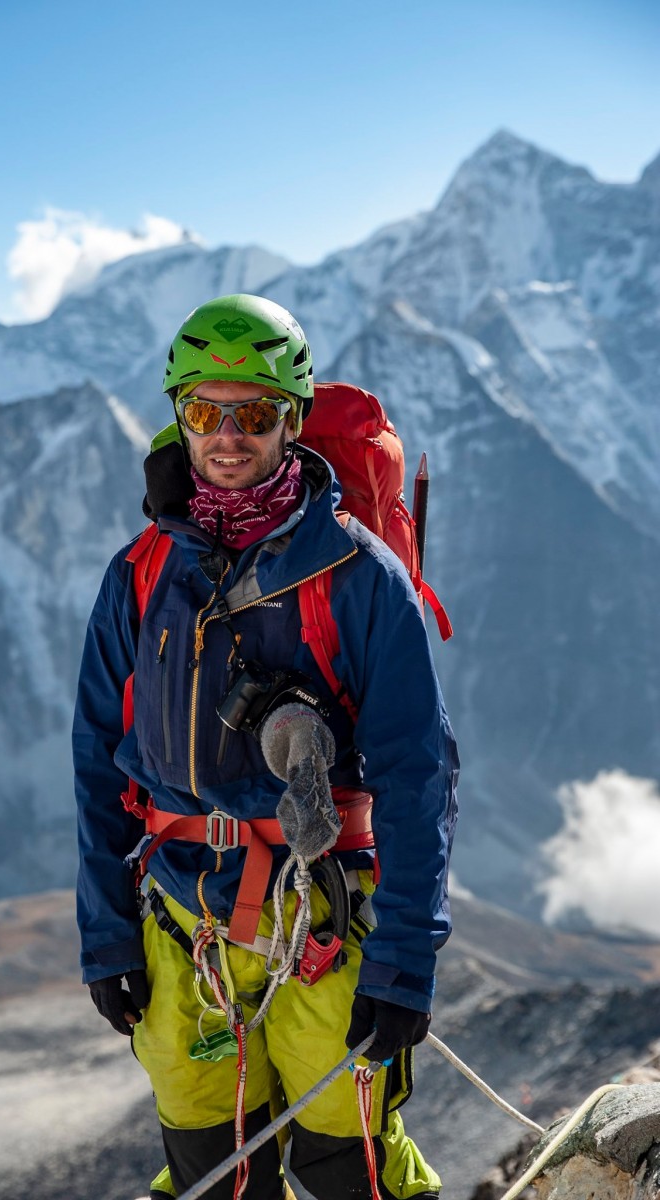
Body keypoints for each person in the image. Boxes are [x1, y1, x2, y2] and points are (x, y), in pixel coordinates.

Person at [73, 294, 459, 1200]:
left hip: (323, 921)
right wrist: (105, 939)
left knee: (346, 1164)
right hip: (179, 921)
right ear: (179, 416)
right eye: (206, 411)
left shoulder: (365, 579)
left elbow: (419, 779)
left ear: (293, 420)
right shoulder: (137, 576)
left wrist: (405, 961)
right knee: (210, 1168)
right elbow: (96, 764)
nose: (228, 435)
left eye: (256, 414)